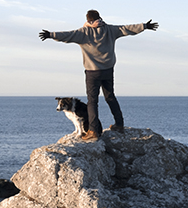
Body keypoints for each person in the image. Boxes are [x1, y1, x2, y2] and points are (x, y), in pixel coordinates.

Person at [39, 10, 158, 141]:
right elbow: (127, 28)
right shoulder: (110, 29)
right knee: (110, 96)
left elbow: (67, 35)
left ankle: (93, 131)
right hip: (108, 70)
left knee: (92, 101)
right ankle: (119, 124)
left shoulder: (83, 33)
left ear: (88, 20)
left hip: (92, 72)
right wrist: (145, 26)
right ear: (99, 18)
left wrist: (50, 34)